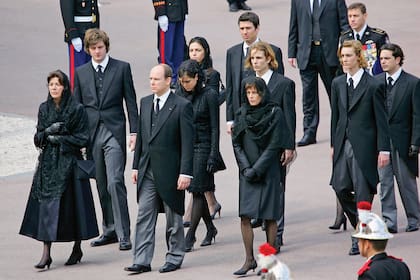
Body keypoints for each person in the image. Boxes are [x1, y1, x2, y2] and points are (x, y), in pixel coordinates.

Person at [20, 70, 99, 269]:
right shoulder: (44, 108)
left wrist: (61, 139)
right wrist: (47, 132)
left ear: (65, 87)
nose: (54, 87)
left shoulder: (76, 109)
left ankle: (77, 247)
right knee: (46, 207)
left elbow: (83, 137)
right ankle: (46, 253)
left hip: (68, 163)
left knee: (73, 207)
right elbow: (37, 138)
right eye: (51, 84)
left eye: (58, 84)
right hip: (47, 166)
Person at [124, 64, 194, 274]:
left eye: (156, 79)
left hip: (171, 172)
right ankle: (141, 259)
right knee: (144, 215)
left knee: (174, 216)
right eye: (150, 79)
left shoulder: (181, 106)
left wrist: (185, 172)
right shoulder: (145, 103)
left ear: (168, 80)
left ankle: (174, 256)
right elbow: (142, 139)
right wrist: (135, 166)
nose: (152, 82)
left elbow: (188, 143)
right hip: (147, 170)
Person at [73, 28, 138, 251]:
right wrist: (77, 138)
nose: (97, 51)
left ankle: (123, 233)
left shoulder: (122, 68)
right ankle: (109, 229)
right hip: (91, 135)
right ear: (89, 49)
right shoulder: (80, 73)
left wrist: (134, 132)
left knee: (115, 181)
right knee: (101, 183)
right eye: (93, 48)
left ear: (106, 47)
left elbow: (130, 101)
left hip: (114, 131)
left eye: (100, 47)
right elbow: (77, 107)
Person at [330, 2, 390, 232]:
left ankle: (360, 234)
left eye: (348, 56)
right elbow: (336, 116)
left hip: (365, 143)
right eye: (342, 56)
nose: (344, 60)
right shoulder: (337, 83)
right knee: (340, 186)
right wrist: (334, 144)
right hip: (344, 142)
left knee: (363, 191)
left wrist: (384, 149)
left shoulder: (373, 85)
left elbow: (381, 119)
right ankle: (362, 224)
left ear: (359, 57)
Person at [244, 41, 296, 250]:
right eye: (253, 58)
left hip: (276, 145)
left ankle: (277, 233)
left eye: (259, 58)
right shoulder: (247, 82)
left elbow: (289, 117)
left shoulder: (283, 84)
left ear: (269, 59)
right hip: (254, 146)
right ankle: (266, 223)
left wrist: (289, 146)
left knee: (277, 189)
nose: (255, 62)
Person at [231, 76, 286, 276]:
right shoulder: (242, 113)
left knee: (270, 216)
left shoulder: (275, 112)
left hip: (268, 170)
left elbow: (275, 144)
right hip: (247, 171)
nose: (252, 96)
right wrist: (246, 168)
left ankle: (269, 261)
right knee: (245, 215)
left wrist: (258, 168)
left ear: (263, 93)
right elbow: (236, 142)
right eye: (249, 92)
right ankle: (249, 259)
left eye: (255, 92)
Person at [175, 59, 225, 252]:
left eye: (188, 81)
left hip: (204, 146)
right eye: (182, 81)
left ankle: (190, 236)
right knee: (198, 189)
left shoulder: (210, 95)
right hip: (186, 147)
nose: (184, 85)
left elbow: (215, 128)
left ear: (197, 77)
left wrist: (214, 153)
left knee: (197, 190)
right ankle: (211, 228)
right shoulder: (180, 94)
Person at [288, 0, 348, 146]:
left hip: (330, 52)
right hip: (306, 52)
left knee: (335, 92)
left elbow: (344, 24)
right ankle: (309, 131)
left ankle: (342, 128)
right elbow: (294, 24)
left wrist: (345, 49)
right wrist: (292, 52)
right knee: (308, 96)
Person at [376, 43, 420, 233]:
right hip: (383, 142)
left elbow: (417, 116)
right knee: (385, 184)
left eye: (386, 58)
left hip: (403, 141)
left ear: (398, 59)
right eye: (381, 58)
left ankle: (414, 218)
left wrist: (415, 142)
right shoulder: (376, 82)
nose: (382, 62)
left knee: (406, 182)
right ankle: (389, 221)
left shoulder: (412, 83)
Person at [182, 36, 223, 227]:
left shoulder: (211, 75)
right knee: (200, 180)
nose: (194, 54)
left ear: (205, 52)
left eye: (197, 50)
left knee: (198, 181)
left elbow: (214, 101)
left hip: (204, 132)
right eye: (191, 50)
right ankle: (212, 208)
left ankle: (190, 215)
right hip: (190, 134)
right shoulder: (184, 74)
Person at [226, 11, 284, 135]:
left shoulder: (273, 50)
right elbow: (230, 88)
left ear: (257, 29)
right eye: (241, 28)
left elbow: (279, 85)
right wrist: (230, 119)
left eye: (248, 28)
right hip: (241, 114)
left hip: (265, 116)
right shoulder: (232, 53)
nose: (244, 32)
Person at [352, 212, 411, 279]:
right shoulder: (401, 266)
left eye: (359, 240)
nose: (358, 244)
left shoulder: (368, 273)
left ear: (366, 244)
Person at [339, 2, 389, 75]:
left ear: (365, 16)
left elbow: (387, 59)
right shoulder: (344, 38)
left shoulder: (378, 36)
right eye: (350, 16)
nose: (352, 19)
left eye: (355, 16)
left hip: (374, 79)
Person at [60, 0, 100, 90]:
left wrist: (97, 32)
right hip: (78, 33)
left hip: (91, 32)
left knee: (91, 70)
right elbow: (66, 10)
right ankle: (76, 100)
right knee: (78, 71)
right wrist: (72, 34)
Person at [153, 0, 188, 85]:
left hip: (179, 10)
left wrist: (185, 9)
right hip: (167, 12)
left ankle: (178, 75)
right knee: (166, 49)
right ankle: (167, 76)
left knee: (178, 48)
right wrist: (161, 13)